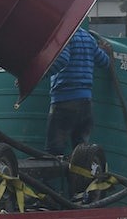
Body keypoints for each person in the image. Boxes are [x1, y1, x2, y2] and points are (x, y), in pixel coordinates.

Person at [44, 26, 112, 156]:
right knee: (82, 153)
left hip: (64, 101)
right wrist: (106, 52)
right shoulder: (88, 38)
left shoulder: (64, 35)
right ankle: (83, 175)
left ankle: (55, 176)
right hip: (86, 102)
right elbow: (105, 62)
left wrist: (40, 74)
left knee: (54, 151)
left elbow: (62, 60)